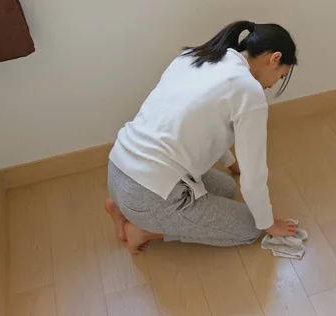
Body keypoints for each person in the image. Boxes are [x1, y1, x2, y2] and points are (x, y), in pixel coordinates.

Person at [104, 21, 298, 254]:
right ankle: (142, 230)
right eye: (280, 75)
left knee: (226, 188)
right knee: (250, 227)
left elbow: (200, 122)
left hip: (118, 168)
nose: (273, 84)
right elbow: (254, 177)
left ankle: (121, 207)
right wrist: (268, 223)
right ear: (274, 59)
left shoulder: (195, 56)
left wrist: (231, 163)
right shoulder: (249, 90)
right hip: (147, 194)